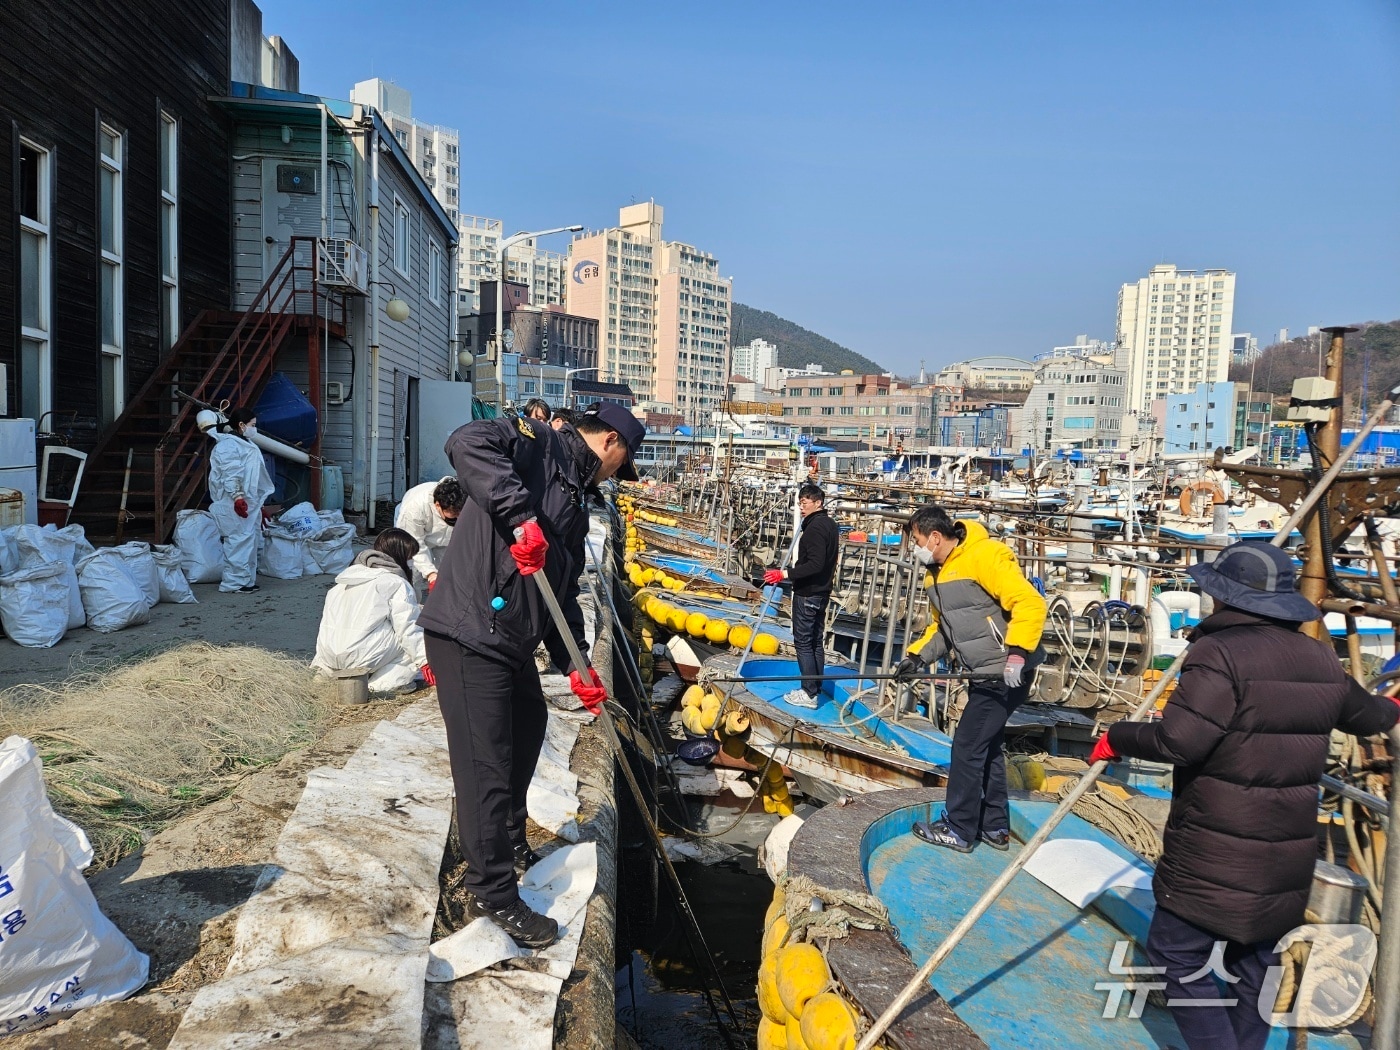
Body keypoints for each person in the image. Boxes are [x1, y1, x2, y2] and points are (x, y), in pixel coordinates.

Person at [1090, 542, 1399, 1050]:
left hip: (1216, 850)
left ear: (1225, 598)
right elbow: (1375, 716)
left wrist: (1118, 736)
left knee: (1176, 952)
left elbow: (1180, 741)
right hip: (1286, 856)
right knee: (1255, 964)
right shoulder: (1320, 657)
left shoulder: (1219, 653)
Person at [419, 401, 646, 949]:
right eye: (624, 462)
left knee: (528, 730)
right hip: (470, 631)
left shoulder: (572, 493)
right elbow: (464, 441)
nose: (618, 476)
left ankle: (512, 840)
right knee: (486, 765)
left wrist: (578, 666)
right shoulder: (537, 445)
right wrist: (519, 517)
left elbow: (560, 594)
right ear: (611, 442)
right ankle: (491, 892)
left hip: (510, 640)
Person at [895, 505, 1046, 853]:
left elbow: (1030, 603)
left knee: (966, 745)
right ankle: (994, 827)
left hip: (1005, 672)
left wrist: (1018, 654)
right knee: (987, 747)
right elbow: (943, 630)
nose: (914, 548)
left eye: (916, 540)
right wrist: (916, 657)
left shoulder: (984, 556)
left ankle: (959, 828)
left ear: (935, 536)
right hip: (983, 672)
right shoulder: (935, 573)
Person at [311, 528, 432, 693]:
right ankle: (379, 686)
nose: (412, 563)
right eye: (410, 557)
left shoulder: (343, 581)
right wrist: (426, 661)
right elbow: (408, 628)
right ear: (400, 556)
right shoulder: (396, 583)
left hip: (328, 656)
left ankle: (326, 675)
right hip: (360, 656)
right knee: (415, 634)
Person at [763, 483, 839, 708]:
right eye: (800, 503)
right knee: (815, 640)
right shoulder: (830, 525)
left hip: (808, 593)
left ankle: (808, 693)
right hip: (822, 592)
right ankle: (816, 685)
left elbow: (815, 564)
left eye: (805, 503)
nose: (802, 507)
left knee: (804, 642)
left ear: (818, 503)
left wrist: (784, 573)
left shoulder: (815, 528)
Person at [200, 407, 274, 594]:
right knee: (237, 542)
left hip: (248, 503)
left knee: (248, 541)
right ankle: (234, 583)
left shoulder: (244, 443)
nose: (254, 429)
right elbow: (230, 474)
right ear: (241, 425)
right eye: (252, 425)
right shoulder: (228, 446)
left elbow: (253, 477)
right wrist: (237, 497)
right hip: (232, 502)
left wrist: (260, 505)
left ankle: (246, 581)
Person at [394, 476, 466, 589]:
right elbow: (414, 544)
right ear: (438, 505)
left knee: (449, 573)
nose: (457, 518)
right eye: (453, 516)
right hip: (414, 536)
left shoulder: (463, 500)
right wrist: (430, 573)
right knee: (412, 574)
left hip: (447, 540)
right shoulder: (414, 508)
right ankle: (413, 604)